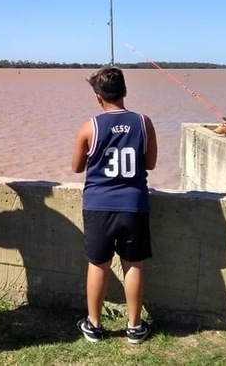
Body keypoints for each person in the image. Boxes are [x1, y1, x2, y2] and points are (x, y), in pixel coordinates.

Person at [71, 66, 158, 345]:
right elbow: (151, 163)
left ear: (98, 97)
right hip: (134, 205)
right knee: (133, 264)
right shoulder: (144, 122)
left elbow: (76, 167)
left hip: (98, 205)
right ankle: (134, 327)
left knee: (98, 264)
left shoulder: (90, 126)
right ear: (125, 92)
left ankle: (94, 325)